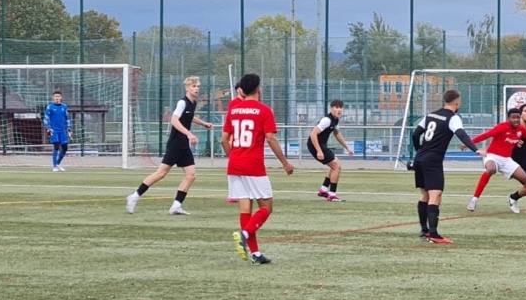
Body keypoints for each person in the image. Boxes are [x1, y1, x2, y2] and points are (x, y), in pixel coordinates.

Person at [223, 73, 294, 265]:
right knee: (266, 207)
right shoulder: (264, 111)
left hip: (234, 165)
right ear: (258, 90)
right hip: (253, 165)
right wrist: (285, 162)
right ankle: (245, 234)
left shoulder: (233, 109)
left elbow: (224, 139)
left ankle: (255, 253)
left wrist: (234, 157)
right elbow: (270, 138)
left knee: (246, 208)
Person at [125, 76, 213, 215]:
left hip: (183, 145)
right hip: (175, 144)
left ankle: (176, 206)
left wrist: (204, 123)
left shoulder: (193, 103)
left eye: (198, 86)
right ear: (187, 88)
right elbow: (174, 120)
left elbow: (190, 116)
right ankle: (134, 196)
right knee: (161, 174)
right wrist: (189, 134)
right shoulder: (182, 103)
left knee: (191, 175)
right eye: (193, 86)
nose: (196, 89)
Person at [411, 90, 485, 244]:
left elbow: (415, 134)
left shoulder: (430, 115)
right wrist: (476, 149)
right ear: (457, 102)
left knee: (424, 195)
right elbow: (461, 134)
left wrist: (419, 152)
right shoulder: (453, 118)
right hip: (433, 161)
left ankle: (424, 230)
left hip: (420, 159)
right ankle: (434, 235)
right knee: (435, 195)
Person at [465, 108, 526, 215]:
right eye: (513, 118)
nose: (516, 120)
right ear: (509, 118)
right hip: (492, 156)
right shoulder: (502, 127)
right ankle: (474, 200)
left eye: (518, 117)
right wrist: (469, 143)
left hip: (507, 160)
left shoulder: (520, 130)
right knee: (491, 169)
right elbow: (486, 135)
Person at [308, 99, 354, 202]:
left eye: (341, 107)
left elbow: (337, 134)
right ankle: (332, 194)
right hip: (315, 145)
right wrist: (319, 151)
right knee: (337, 166)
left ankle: (323, 190)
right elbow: (313, 134)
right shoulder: (327, 120)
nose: (339, 110)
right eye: (336, 107)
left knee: (334, 165)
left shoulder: (335, 120)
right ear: (331, 108)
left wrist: (347, 147)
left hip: (321, 145)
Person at [43, 91, 71, 172]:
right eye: (55, 96)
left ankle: (58, 163)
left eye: (58, 96)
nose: (57, 98)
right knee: (56, 147)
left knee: (65, 148)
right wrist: (48, 127)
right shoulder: (50, 107)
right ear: (53, 97)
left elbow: (67, 118)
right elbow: (46, 118)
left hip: (62, 130)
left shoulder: (64, 106)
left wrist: (69, 128)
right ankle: (54, 166)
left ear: (61, 97)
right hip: (54, 130)